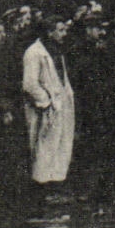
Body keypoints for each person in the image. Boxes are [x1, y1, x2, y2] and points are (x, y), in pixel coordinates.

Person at [22, 11, 77, 198]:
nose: (64, 34)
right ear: (49, 32)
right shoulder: (34, 52)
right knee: (44, 148)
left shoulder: (56, 51)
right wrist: (46, 102)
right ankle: (41, 189)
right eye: (60, 30)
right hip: (44, 109)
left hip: (60, 106)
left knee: (61, 145)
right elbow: (29, 84)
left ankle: (56, 186)